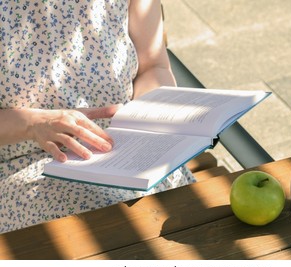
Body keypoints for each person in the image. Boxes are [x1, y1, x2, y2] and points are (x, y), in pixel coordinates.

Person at [0, 0, 195, 233]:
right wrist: (33, 124)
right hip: (29, 167)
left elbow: (153, 66)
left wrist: (153, 113)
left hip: (132, 154)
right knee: (123, 228)